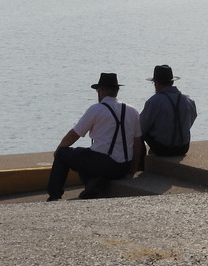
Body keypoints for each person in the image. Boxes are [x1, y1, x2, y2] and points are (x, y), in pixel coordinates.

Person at [46, 72, 142, 201]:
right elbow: (137, 143)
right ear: (117, 91)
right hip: (123, 167)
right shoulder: (132, 111)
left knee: (65, 154)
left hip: (103, 165)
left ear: (101, 91)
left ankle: (54, 195)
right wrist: (133, 168)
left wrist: (59, 149)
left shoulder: (96, 109)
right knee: (85, 154)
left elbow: (75, 134)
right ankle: (94, 184)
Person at [139, 64, 198, 157]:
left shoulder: (154, 101)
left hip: (163, 149)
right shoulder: (188, 100)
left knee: (139, 129)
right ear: (172, 82)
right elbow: (193, 118)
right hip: (183, 148)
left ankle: (141, 160)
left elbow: (141, 127)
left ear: (156, 83)